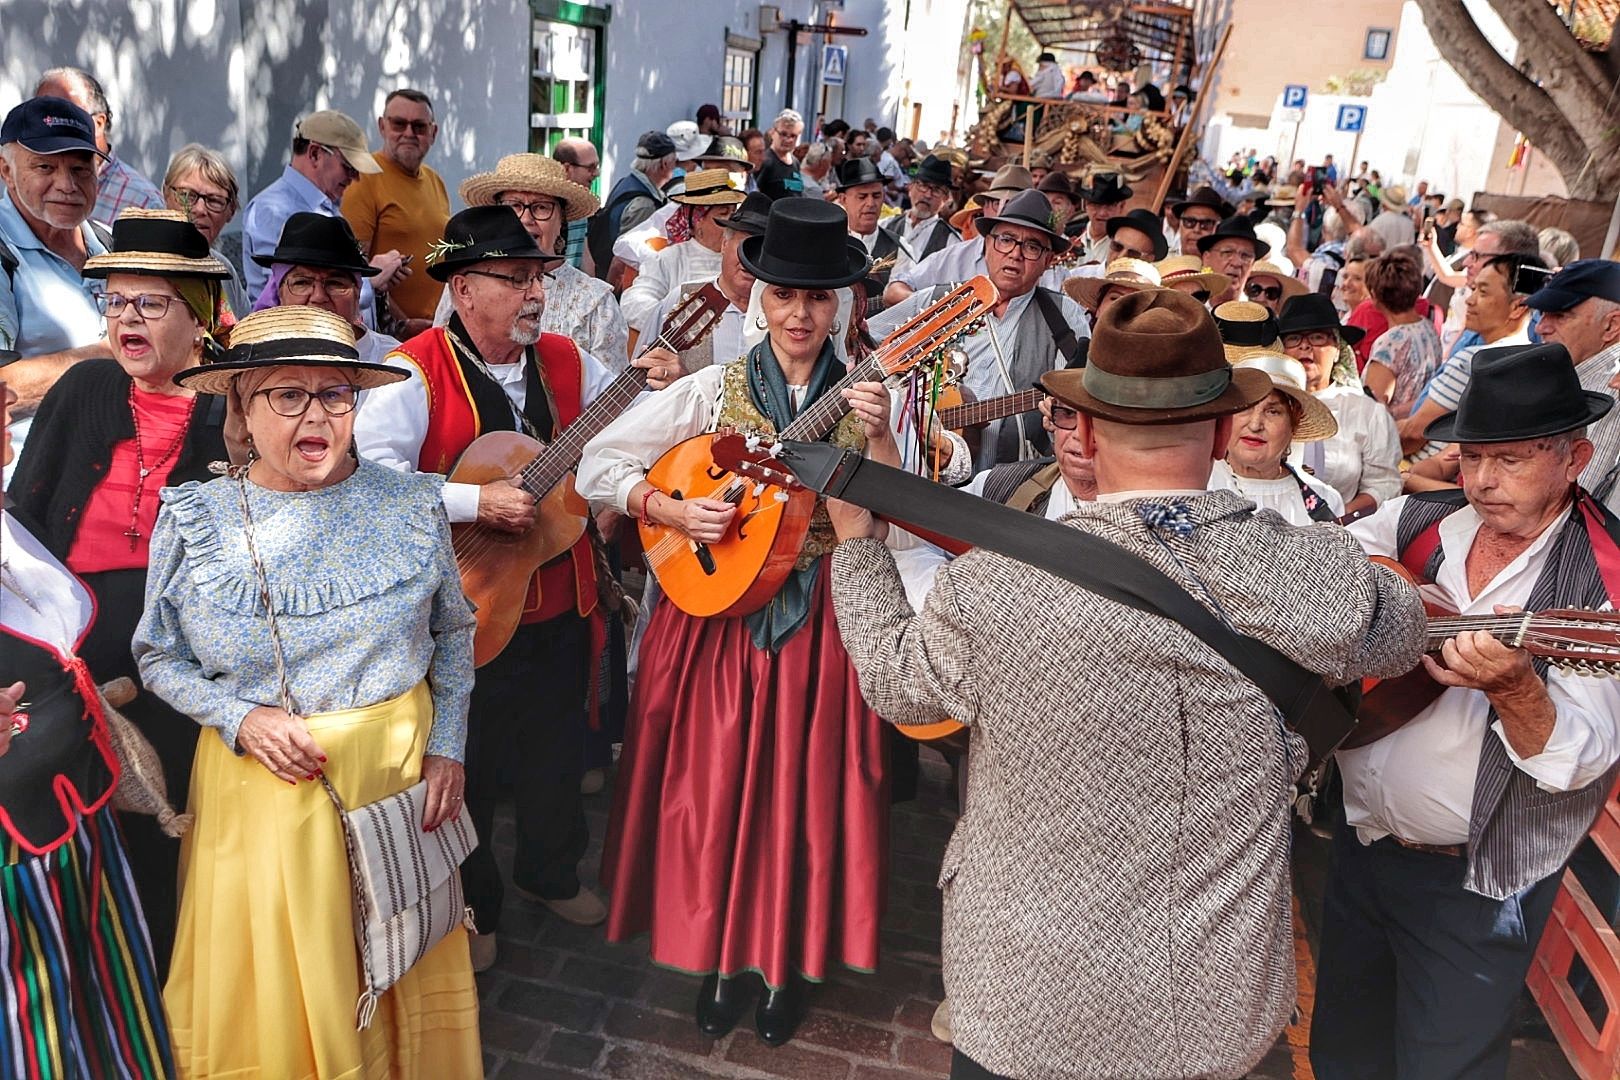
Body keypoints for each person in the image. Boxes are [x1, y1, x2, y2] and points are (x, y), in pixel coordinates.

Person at [827, 287, 1427, 1080]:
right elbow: (1404, 632)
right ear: (1220, 432)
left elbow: (899, 686)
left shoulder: (991, 590)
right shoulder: (1316, 571)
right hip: (1210, 1008)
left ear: (1085, 427)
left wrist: (858, 551)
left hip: (1022, 998)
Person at [576, 199, 948, 1047]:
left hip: (821, 613)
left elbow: (900, 516)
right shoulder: (715, 387)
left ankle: (783, 964)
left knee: (805, 797)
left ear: (846, 303)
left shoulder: (873, 397)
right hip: (714, 624)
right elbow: (602, 461)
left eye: (819, 298)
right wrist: (669, 507)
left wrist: (885, 446)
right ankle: (717, 957)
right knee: (715, 790)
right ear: (759, 295)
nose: (801, 315)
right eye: (785, 295)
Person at [135, 305, 482, 1077]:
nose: (316, 415)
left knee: (395, 959)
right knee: (287, 993)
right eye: (286, 395)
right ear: (243, 409)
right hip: (266, 799)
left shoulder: (413, 503)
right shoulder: (197, 518)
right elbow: (156, 657)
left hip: (397, 788)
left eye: (335, 394)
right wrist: (240, 715)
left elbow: (455, 635)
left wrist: (449, 747)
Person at [1314, 342, 1620, 1080]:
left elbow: (1576, 759)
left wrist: (1517, 690)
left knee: (1443, 1069)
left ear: (1574, 458)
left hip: (1475, 888)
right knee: (1344, 1055)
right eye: (1472, 456)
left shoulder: (1601, 577)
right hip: (1361, 850)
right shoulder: (1420, 519)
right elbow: (1318, 569)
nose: (1482, 481)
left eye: (1510, 460)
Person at [354, 206, 616, 974]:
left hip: (559, 593)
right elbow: (370, 482)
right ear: (464, 289)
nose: (536, 293)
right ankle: (476, 905)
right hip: (466, 605)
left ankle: (549, 872)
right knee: (469, 763)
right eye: (517, 279)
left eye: (540, 277)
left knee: (557, 750)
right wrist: (474, 503)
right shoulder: (412, 369)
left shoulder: (570, 362)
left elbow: (632, 434)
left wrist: (660, 393)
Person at [7, 208, 232, 970]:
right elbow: (28, 516)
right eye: (115, 302)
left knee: (171, 812)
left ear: (198, 318)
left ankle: (170, 970)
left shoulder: (232, 407)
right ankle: (98, 965)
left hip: (179, 655)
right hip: (71, 649)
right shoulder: (86, 388)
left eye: (150, 303)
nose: (126, 319)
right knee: (84, 812)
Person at [1, 374, 177, 1079]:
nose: (8, 419)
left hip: (78, 813)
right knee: (32, 1028)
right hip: (14, 855)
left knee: (102, 1003)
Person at [870, 190, 1089, 470]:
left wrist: (1060, 414)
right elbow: (868, 343)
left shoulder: (1064, 315)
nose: (1015, 254)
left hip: (1013, 479)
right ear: (986, 245)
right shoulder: (940, 300)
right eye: (1006, 240)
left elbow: (1078, 393)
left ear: (1048, 261)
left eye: (1032, 246)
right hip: (923, 468)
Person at [450, 153, 625, 367]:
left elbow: (612, 394)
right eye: (513, 206)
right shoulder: (469, 282)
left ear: (561, 219)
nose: (525, 219)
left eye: (541, 207)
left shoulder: (596, 301)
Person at [0, 96, 112, 423]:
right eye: (45, 167)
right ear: (6, 170)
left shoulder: (109, 243)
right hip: (27, 467)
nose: (67, 185)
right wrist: (112, 355)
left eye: (80, 169)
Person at [241, 109, 409, 313]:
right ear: (314, 154)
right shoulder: (271, 209)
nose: (355, 178)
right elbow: (287, 294)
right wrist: (370, 280)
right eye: (349, 167)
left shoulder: (327, 206)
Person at [1400, 252, 1544, 459]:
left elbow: (1413, 434)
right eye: (1473, 289)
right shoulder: (1529, 357)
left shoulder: (1475, 361)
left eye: (1483, 293)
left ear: (1517, 308)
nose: (1470, 300)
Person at [1278, 293, 1401, 516]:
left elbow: (1385, 484)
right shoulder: (1265, 406)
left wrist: (1340, 515)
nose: (1305, 347)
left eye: (1317, 337)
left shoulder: (1367, 411)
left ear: (1337, 349)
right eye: (1293, 338)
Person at [341, 88, 451, 328]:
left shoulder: (436, 181)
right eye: (399, 124)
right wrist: (404, 324)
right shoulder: (363, 179)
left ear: (433, 132)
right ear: (382, 126)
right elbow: (354, 273)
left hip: (436, 328)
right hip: (390, 335)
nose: (409, 133)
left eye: (419, 126)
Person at [635, 191, 769, 374]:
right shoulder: (683, 297)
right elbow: (640, 382)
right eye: (745, 248)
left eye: (760, 252)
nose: (749, 261)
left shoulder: (783, 312)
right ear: (724, 245)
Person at [1208, 346, 1345, 525]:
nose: (1255, 425)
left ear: (1294, 424)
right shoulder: (1198, 485)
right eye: (1245, 408)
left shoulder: (1323, 501)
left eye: (1273, 411)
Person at [251, 211, 400, 365]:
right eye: (302, 283)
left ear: (357, 293)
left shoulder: (396, 362)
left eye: (335, 283)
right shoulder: (256, 364)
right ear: (280, 293)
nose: (318, 297)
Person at [1528, 260, 1620, 503]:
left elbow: (1573, 503)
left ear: (1612, 325)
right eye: (1543, 313)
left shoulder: (1607, 390)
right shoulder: (1574, 374)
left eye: (1560, 315)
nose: (1540, 327)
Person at [883, 164, 1034, 306]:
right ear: (986, 207)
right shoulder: (955, 255)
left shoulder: (1038, 264)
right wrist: (935, 310)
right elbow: (894, 290)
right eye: (1000, 204)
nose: (1006, 215)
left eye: (1018, 209)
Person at [618, 169, 743, 330]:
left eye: (733, 214)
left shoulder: (743, 261)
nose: (730, 222)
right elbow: (634, 303)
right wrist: (679, 321)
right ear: (698, 220)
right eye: (723, 214)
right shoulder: (669, 259)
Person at [36, 66, 164, 224]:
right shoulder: (26, 184)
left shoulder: (143, 203)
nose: (49, 127)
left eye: (66, 119)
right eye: (42, 118)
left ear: (98, 124)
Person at [162, 143, 249, 316]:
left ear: (231, 211)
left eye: (214, 200)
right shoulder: (143, 266)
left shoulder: (223, 270)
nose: (200, 209)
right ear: (166, 194)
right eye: (187, 196)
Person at [1361, 251, 1441, 418]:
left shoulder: (1390, 343)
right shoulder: (1428, 327)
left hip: (1396, 436)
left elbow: (1374, 409)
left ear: (1374, 296)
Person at [587, 130, 675, 278]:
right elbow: (627, 257)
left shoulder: (626, 182)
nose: (676, 166)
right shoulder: (644, 203)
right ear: (664, 164)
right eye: (675, 161)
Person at [882, 154, 957, 269]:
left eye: (936, 190)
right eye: (923, 186)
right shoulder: (885, 225)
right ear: (910, 187)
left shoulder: (951, 242)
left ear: (946, 199)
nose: (927, 195)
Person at [1065, 257, 1161, 324]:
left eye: (1135, 302)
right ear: (1098, 309)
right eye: (1114, 298)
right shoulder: (1074, 348)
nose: (1122, 306)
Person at [553, 137, 601, 270]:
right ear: (566, 169)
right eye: (591, 167)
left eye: (597, 167)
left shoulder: (580, 206)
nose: (596, 173)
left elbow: (585, 259)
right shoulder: (547, 206)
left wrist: (593, 289)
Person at [1198, 215, 1268, 305]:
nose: (1236, 263)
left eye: (1246, 256)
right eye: (1227, 252)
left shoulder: (1258, 315)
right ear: (1206, 258)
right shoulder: (1192, 309)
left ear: (1253, 265)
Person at [1072, 173, 1132, 266]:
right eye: (1096, 205)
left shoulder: (1126, 245)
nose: (1102, 213)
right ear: (1085, 205)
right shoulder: (1070, 234)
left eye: (1110, 206)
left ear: (1122, 206)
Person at [1167, 185, 1232, 257]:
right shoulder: (1162, 263)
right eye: (1189, 222)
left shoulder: (1225, 266)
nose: (1196, 229)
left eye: (1206, 224)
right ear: (1180, 225)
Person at [755, 109, 805, 200]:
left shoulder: (795, 162)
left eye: (793, 136)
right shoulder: (766, 161)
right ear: (773, 132)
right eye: (783, 134)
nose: (788, 140)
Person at [1244, 259, 1309, 315]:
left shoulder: (1284, 328)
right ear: (1244, 291)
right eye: (1255, 290)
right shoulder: (1234, 323)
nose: (1261, 298)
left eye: (1271, 293)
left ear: (1278, 299)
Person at [1366, 184, 1416, 251]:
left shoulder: (1379, 221)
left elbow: (1369, 245)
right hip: (1400, 260)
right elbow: (1410, 248)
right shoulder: (1409, 224)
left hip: (1380, 259)